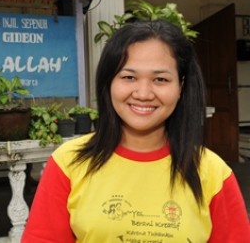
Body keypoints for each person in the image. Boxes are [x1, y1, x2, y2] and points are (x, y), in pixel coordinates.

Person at [22, 20, 250, 242]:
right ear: (109, 82)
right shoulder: (69, 163)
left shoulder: (213, 173)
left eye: (160, 79)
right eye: (129, 77)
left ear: (180, 86)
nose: (143, 93)